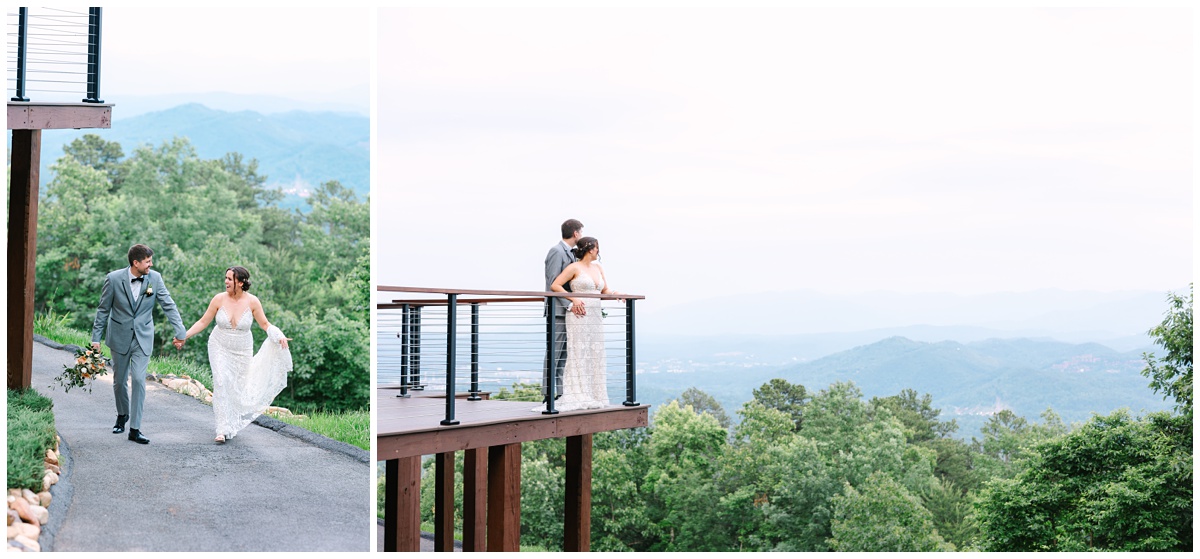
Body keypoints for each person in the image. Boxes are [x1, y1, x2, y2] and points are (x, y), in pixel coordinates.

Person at [92, 244, 187, 445]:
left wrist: (180, 331)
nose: (151, 265)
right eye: (147, 261)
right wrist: (95, 339)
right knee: (119, 381)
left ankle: (134, 429)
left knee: (138, 379)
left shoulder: (155, 278)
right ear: (136, 263)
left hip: (143, 337)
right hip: (119, 336)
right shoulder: (114, 279)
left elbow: (168, 304)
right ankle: (122, 415)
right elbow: (103, 310)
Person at [184, 266, 292, 443]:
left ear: (240, 283)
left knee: (236, 388)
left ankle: (231, 423)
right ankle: (221, 428)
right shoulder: (218, 299)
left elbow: (265, 324)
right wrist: (184, 336)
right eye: (225, 278)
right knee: (220, 382)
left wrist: (278, 335)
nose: (225, 282)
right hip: (219, 345)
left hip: (242, 350)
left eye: (229, 279)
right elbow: (203, 321)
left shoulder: (253, 302)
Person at [541, 236, 616, 411]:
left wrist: (616, 294)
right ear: (591, 249)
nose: (599, 251)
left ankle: (594, 393)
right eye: (597, 248)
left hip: (595, 316)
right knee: (578, 351)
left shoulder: (599, 268)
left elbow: (604, 290)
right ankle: (576, 392)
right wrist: (573, 299)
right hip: (578, 315)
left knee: (595, 350)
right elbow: (555, 285)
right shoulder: (573, 267)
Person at [543, 218, 583, 403]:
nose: (581, 236)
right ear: (575, 233)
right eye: (580, 232)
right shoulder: (556, 252)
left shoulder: (573, 254)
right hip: (558, 310)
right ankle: (548, 395)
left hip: (569, 311)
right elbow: (553, 284)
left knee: (565, 354)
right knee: (554, 352)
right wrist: (568, 304)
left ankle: (560, 393)